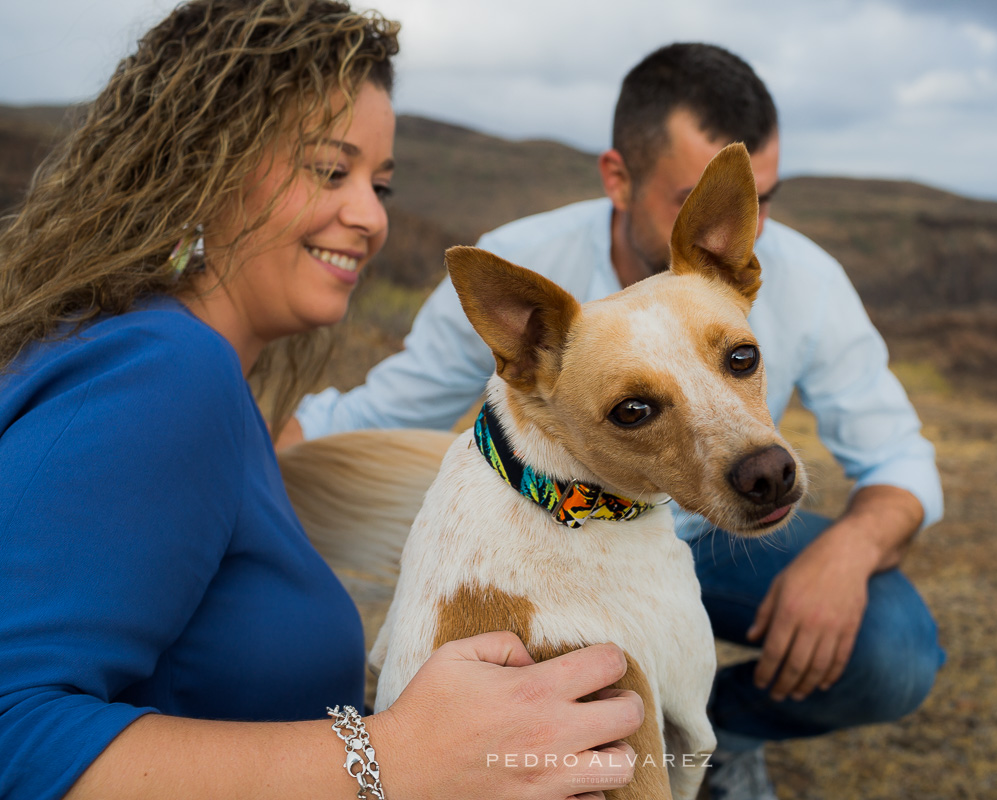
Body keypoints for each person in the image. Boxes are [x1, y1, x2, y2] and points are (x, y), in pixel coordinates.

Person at [0, 2, 644, 799]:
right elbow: (13, 730)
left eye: (381, 183)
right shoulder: (166, 368)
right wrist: (395, 757)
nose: (371, 217)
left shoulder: (157, 359)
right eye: (329, 170)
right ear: (208, 163)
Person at [291, 42, 947, 799]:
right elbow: (384, 407)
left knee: (894, 647)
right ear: (618, 176)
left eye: (764, 198)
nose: (754, 222)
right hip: (573, 529)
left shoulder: (793, 275)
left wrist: (848, 553)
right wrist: (251, 441)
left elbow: (899, 457)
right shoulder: (525, 272)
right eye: (687, 195)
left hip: (702, 538)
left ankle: (721, 736)